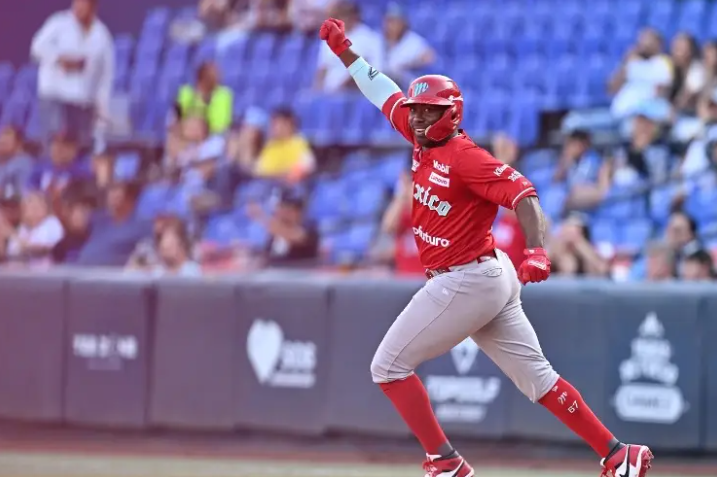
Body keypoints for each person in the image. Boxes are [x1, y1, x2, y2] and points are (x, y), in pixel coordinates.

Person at [319, 17, 653, 477]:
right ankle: (618, 454)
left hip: (467, 278)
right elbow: (383, 90)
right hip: (485, 275)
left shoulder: (465, 156)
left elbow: (524, 195)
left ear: (450, 114)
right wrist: (347, 54)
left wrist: (536, 250)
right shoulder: (419, 138)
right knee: (540, 380)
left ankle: (445, 460)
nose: (416, 116)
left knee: (388, 366)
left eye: (427, 111)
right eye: (415, 109)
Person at [30, 0, 114, 149]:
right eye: (77, 3)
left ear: (93, 6)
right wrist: (59, 59)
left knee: (81, 146)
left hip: (83, 101)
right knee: (54, 144)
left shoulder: (102, 35)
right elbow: (36, 48)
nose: (79, 7)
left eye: (83, 4)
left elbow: (105, 75)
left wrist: (102, 107)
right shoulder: (58, 23)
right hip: (55, 96)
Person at [315, 1, 383, 93]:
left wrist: (342, 88)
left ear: (356, 16)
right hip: (329, 95)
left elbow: (370, 70)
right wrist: (317, 90)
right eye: (342, 15)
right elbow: (322, 69)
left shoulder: (370, 38)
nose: (345, 18)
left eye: (348, 14)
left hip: (355, 94)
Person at [609, 28, 673, 120]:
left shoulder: (663, 63)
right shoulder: (632, 61)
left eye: (649, 40)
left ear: (659, 44)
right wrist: (625, 63)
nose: (644, 43)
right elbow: (612, 88)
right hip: (621, 112)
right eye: (642, 39)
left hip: (644, 115)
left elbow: (661, 93)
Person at [382, 3, 435, 89]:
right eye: (390, 21)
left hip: (407, 88)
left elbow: (430, 58)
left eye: (396, 21)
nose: (392, 26)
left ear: (404, 23)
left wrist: (410, 64)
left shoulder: (414, 41)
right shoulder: (378, 40)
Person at [175, 61, 233, 135]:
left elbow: (220, 126)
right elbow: (177, 119)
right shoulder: (185, 92)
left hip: (213, 138)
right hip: (185, 135)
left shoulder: (224, 95)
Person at [0, 126, 34, 198]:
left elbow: (18, 195)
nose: (1, 147)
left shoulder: (23, 164)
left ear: (18, 144)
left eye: (5, 144)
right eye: (1, 143)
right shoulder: (3, 162)